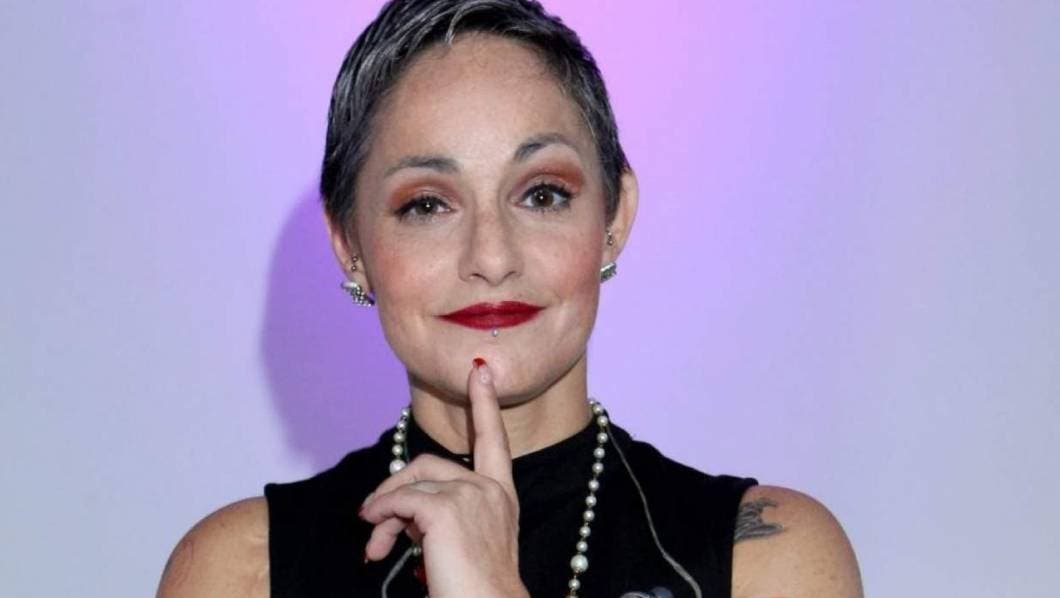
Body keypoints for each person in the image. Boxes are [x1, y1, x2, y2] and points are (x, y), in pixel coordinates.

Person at [157, 1, 862, 596]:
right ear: (350, 245)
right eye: (427, 204)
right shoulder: (240, 571)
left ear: (614, 218)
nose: (492, 258)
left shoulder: (764, 559)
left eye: (542, 194)